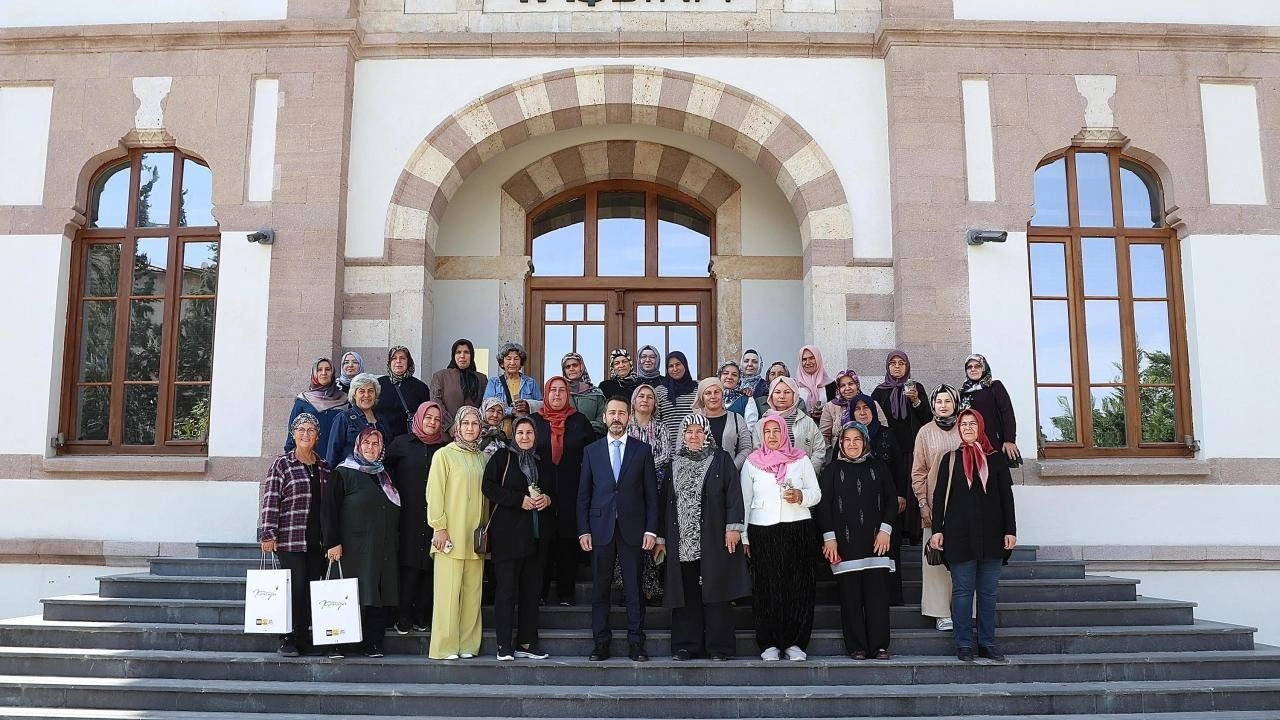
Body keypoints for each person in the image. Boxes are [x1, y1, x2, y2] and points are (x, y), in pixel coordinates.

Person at [655, 414, 749, 661]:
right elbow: (664, 503)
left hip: (714, 538)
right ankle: (687, 646)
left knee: (717, 592)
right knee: (686, 594)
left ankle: (719, 647)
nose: (694, 436)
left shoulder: (721, 460)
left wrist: (733, 527)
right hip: (682, 542)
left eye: (699, 431)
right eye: (689, 432)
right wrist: (662, 539)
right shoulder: (673, 464)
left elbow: (734, 495)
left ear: (707, 434)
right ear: (682, 435)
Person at [929, 408, 1018, 663]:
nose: (967, 428)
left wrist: (1010, 530)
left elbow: (1006, 498)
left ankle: (987, 643)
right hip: (959, 535)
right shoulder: (950, 459)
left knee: (988, 592)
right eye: (963, 424)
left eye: (972, 424)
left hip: (992, 535)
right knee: (963, 590)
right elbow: (938, 498)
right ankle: (964, 644)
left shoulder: (996, 459)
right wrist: (937, 530)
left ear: (981, 427)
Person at [578, 396, 659, 662]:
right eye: (611, 412)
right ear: (604, 417)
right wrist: (583, 530)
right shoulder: (592, 451)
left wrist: (651, 530)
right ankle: (600, 643)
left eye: (621, 413)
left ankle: (637, 643)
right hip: (600, 529)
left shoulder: (642, 450)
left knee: (634, 589)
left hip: (633, 529)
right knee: (600, 588)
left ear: (629, 417)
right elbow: (584, 495)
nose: (616, 417)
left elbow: (651, 495)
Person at [740, 413, 822, 662]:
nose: (773, 436)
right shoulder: (752, 462)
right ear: (761, 435)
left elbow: (816, 493)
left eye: (777, 431)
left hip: (797, 527)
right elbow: (744, 501)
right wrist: (744, 536)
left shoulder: (801, 460)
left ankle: (796, 642)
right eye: (768, 432)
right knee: (767, 587)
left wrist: (801, 496)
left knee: (798, 586)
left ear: (786, 433)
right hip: (762, 530)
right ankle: (770, 643)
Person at [815, 422, 898, 660]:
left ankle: (880, 646)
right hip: (845, 544)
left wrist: (886, 530)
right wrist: (829, 538)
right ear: (840, 443)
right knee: (850, 599)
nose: (852, 444)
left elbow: (892, 500)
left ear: (865, 442)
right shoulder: (831, 471)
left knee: (877, 598)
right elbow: (824, 507)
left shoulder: (878, 467)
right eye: (847, 440)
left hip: (876, 542)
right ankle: (857, 646)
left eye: (857, 440)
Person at [321, 426, 400, 658]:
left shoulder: (384, 474)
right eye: (367, 443)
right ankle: (337, 643)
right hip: (349, 547)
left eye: (376, 444)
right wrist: (331, 542)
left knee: (375, 593)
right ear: (358, 445)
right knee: (346, 593)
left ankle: (372, 643)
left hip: (379, 546)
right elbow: (329, 511)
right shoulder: (343, 472)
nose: (371, 448)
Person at [258, 413, 328, 657]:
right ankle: (288, 638)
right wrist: (267, 533)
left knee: (310, 588)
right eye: (301, 429)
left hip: (316, 540)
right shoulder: (282, 464)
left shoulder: (323, 466)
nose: (306, 434)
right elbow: (271, 499)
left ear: (318, 436)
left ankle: (304, 636)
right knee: (294, 588)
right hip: (289, 538)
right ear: (293, 434)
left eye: (311, 430)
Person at [483, 417, 553, 661]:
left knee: (531, 591)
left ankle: (527, 641)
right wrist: (518, 499)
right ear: (513, 435)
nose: (525, 437)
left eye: (529, 433)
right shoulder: (502, 458)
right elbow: (488, 487)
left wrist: (548, 499)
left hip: (535, 537)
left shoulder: (541, 461)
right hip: (508, 536)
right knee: (506, 591)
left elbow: (553, 489)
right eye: (520, 432)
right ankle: (504, 644)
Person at [426, 406, 489, 660]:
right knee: (447, 595)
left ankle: (468, 645)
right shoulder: (444, 455)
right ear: (458, 427)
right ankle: (445, 646)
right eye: (466, 424)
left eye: (475, 424)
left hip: (475, 537)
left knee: (473, 594)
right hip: (449, 537)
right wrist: (439, 527)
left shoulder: (483, 458)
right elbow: (434, 493)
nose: (471, 428)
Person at [383, 401, 447, 634]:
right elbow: (383, 474)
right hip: (407, 515)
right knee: (408, 566)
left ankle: (421, 616)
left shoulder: (445, 448)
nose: (432, 422)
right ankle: (402, 616)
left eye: (437, 419)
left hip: (435, 517)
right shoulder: (401, 444)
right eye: (428, 417)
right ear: (419, 418)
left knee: (429, 567)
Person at [532, 376, 596, 607]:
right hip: (540, 493)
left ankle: (566, 594)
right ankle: (539, 592)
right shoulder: (534, 421)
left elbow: (591, 456)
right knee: (543, 544)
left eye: (561, 390)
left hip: (573, 490)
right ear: (546, 394)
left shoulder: (579, 421)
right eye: (553, 390)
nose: (557, 394)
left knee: (568, 542)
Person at [851, 393, 911, 606]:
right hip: (857, 507)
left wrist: (902, 494)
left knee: (888, 549)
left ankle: (891, 597)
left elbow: (899, 467)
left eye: (865, 408)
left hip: (886, 503)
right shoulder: (847, 439)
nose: (862, 412)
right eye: (857, 409)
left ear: (873, 411)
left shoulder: (886, 434)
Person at [912, 384, 963, 632]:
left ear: (955, 403)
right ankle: (940, 612)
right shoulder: (924, 432)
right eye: (939, 401)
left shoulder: (964, 428)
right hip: (935, 504)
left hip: (963, 505)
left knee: (964, 558)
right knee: (936, 560)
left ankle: (965, 610)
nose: (943, 406)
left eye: (948, 401)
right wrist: (923, 503)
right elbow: (918, 472)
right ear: (933, 405)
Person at [623, 382, 672, 605]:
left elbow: (666, 455)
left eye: (649, 397)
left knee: (652, 538)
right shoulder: (623, 427)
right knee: (628, 541)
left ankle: (651, 589)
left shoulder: (661, 429)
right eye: (640, 396)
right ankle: (629, 589)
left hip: (656, 490)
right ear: (633, 401)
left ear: (654, 403)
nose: (645, 400)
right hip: (629, 492)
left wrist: (641, 467)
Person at [752, 376, 827, 474]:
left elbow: (819, 449)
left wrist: (808, 473)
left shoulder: (807, 422)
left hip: (802, 477)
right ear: (771, 395)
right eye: (777, 392)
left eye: (787, 392)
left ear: (794, 395)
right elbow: (757, 452)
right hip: (771, 479)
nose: (782, 396)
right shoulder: (762, 423)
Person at [958, 354, 1021, 464]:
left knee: (993, 478)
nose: (973, 369)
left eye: (977, 366)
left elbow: (1007, 412)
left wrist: (1009, 440)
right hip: (970, 446)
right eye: (969, 367)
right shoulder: (962, 393)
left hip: (992, 444)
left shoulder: (995, 387)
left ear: (984, 368)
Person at [326, 373, 392, 469]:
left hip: (377, 477)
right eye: (361, 391)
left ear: (375, 394)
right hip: (350, 477)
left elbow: (387, 451)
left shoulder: (382, 420)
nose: (366, 395)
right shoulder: (344, 418)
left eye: (370, 391)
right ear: (354, 394)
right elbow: (332, 454)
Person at [284, 357, 349, 456]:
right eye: (319, 370)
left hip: (337, 460)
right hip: (309, 460)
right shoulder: (303, 400)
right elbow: (292, 432)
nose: (324, 373)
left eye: (328, 369)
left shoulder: (344, 399)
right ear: (314, 373)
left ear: (333, 373)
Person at [691, 376, 753, 472]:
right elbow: (681, 450)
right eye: (708, 393)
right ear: (701, 397)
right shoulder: (691, 421)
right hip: (697, 479)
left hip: (729, 479)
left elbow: (746, 448)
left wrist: (732, 469)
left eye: (717, 392)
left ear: (722, 394)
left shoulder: (737, 419)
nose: (713, 396)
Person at [483, 342, 543, 435]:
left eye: (516, 359)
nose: (512, 362)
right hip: (498, 434)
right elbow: (486, 407)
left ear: (521, 362)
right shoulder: (493, 383)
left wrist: (528, 405)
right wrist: (512, 411)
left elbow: (542, 407)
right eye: (508, 359)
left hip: (524, 435)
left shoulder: (531, 383)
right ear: (502, 363)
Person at [819, 371, 886, 451]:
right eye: (842, 385)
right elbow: (824, 435)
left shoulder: (871, 404)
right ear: (838, 388)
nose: (847, 388)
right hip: (839, 456)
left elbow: (884, 430)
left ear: (857, 385)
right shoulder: (831, 406)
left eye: (851, 384)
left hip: (871, 453)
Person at [376, 345, 431, 442]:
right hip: (381, 439)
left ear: (408, 362)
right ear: (389, 363)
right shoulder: (378, 384)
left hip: (408, 441)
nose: (398, 361)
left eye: (402, 358)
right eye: (394, 358)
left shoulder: (420, 388)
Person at [430, 339, 487, 426]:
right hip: (446, 434)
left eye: (466, 352)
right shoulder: (440, 376)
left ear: (472, 355)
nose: (462, 356)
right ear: (453, 355)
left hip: (473, 432)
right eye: (458, 352)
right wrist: (450, 426)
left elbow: (485, 405)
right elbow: (436, 402)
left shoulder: (481, 379)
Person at [562, 352, 607, 437]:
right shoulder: (560, 393)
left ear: (581, 367)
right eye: (567, 367)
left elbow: (603, 421)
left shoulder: (596, 393)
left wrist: (583, 426)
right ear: (564, 371)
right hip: (566, 441)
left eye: (575, 365)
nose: (571, 369)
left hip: (593, 439)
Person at [661, 351, 700, 449]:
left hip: (695, 448)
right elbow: (657, 421)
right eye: (670, 366)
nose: (675, 369)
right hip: (668, 449)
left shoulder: (698, 388)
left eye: (678, 364)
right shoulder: (660, 391)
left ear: (685, 365)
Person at [796, 345, 835, 422]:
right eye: (804, 359)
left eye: (811, 358)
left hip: (826, 430)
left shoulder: (831, 385)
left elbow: (835, 410)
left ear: (818, 359)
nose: (807, 362)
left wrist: (824, 414)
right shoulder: (795, 385)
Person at [718, 361, 760, 430]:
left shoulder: (746, 399)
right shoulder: (712, 397)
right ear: (719, 376)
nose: (729, 377)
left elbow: (751, 428)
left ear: (739, 379)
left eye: (734, 375)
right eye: (725, 373)